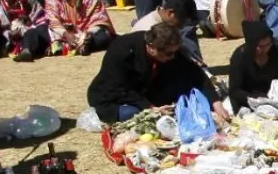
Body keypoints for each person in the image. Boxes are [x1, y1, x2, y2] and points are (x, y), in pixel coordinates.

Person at [86, 21, 224, 125]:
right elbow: (119, 88)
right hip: (115, 97)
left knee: (184, 94)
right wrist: (150, 108)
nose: (173, 57)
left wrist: (215, 102)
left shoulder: (168, 51)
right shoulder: (122, 50)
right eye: (169, 53)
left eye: (175, 52)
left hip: (148, 91)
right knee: (133, 114)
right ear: (152, 48)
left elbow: (195, 73)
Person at [20, 0, 114, 59]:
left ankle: (85, 45)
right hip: (59, 34)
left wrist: (88, 34)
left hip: (85, 32)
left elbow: (98, 19)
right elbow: (53, 20)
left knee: (103, 36)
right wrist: (66, 34)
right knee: (33, 32)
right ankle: (27, 50)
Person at [226, 18, 278, 112]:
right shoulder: (240, 57)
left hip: (273, 97)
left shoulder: (277, 50)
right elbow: (235, 91)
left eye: (268, 44)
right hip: (248, 101)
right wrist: (258, 100)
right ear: (252, 45)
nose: (266, 49)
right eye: (261, 47)